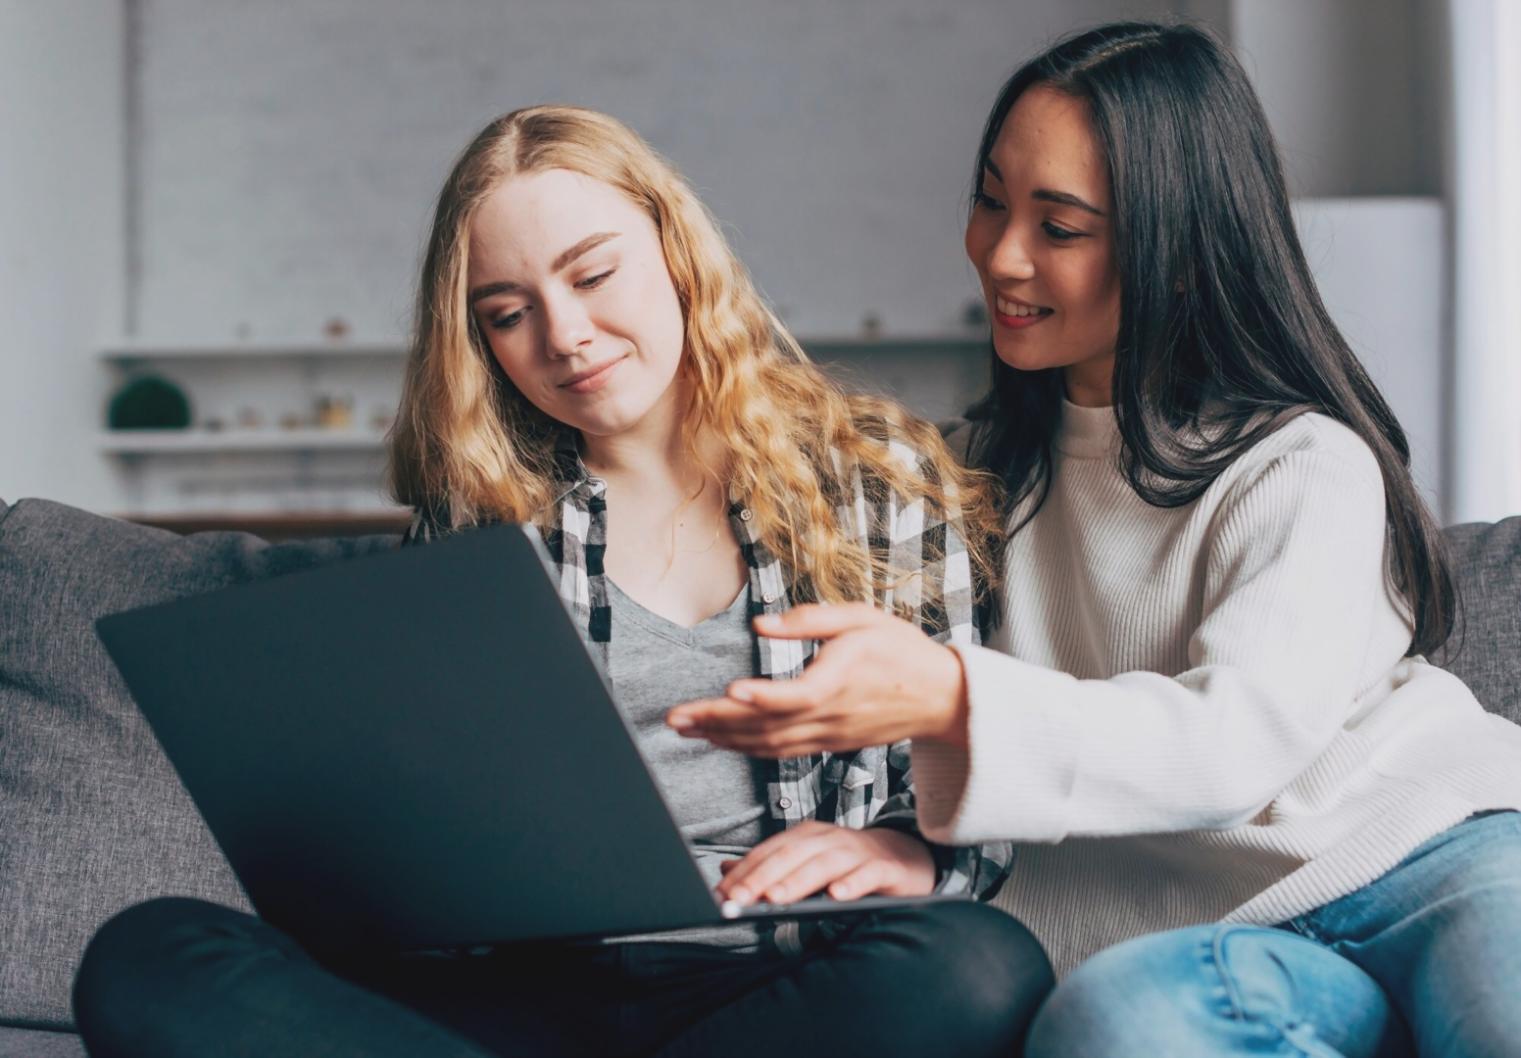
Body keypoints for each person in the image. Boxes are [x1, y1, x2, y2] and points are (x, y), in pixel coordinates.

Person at [70, 105, 1053, 1057]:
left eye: (593, 275)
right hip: (520, 986)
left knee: (981, 968)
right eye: (510, 312)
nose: (566, 334)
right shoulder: (481, 506)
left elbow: (972, 734)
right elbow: (431, 801)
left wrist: (914, 854)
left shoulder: (880, 472)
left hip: (772, 973)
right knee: (147, 955)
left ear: (677, 251)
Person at [669, 22, 1521, 1057]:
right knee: (1112, 1026)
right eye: (991, 199)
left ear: (1177, 243)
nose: (1001, 253)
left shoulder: (1300, 461)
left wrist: (952, 694)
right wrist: (908, 843)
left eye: (1059, 225)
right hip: (1210, 934)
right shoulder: (957, 482)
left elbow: (1234, 742)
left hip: (1434, 855)